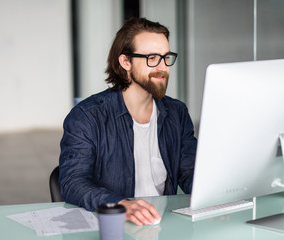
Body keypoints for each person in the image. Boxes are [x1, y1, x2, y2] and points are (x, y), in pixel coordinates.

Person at [59, 17, 197, 226]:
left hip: (162, 224)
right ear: (125, 62)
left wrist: (217, 195)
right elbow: (72, 182)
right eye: (152, 58)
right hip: (111, 226)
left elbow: (190, 172)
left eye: (166, 57)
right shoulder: (86, 116)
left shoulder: (177, 113)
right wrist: (119, 204)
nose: (163, 67)